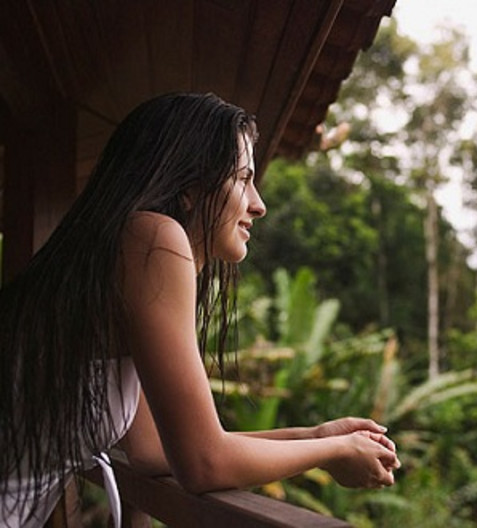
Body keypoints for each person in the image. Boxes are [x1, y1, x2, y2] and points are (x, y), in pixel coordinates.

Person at [0, 92, 400, 528]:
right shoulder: (152, 239)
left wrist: (313, 436)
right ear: (189, 186)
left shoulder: (128, 250)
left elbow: (153, 452)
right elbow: (203, 463)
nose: (258, 204)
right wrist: (333, 451)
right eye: (243, 178)